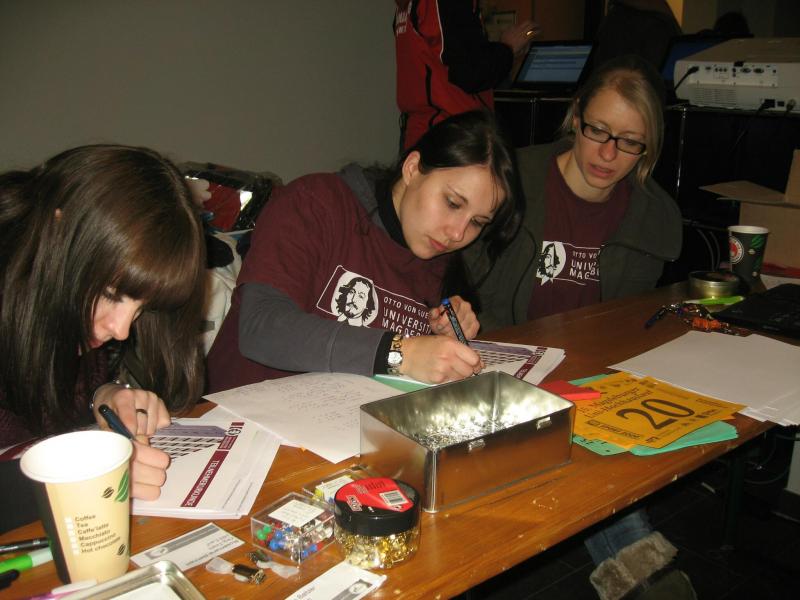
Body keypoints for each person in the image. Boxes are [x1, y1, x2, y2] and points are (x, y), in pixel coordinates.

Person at [465, 56, 692, 599]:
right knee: (567, 438)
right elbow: (460, 279)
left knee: (587, 437)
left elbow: (631, 325)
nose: (609, 154)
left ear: (649, 148)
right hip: (497, 368)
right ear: (575, 117)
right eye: (598, 131)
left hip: (593, 381)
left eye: (630, 142)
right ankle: (643, 570)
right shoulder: (509, 181)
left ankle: (641, 573)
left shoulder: (653, 215)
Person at [206, 110, 523, 393]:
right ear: (412, 168)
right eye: (452, 203)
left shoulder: (439, 259)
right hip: (240, 419)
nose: (457, 234)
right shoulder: (314, 202)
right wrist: (399, 353)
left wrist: (444, 335)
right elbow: (261, 327)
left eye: (477, 222)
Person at [0, 145, 206, 511]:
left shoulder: (62, 300)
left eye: (141, 308)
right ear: (58, 234)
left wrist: (105, 395)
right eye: (111, 295)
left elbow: (53, 400)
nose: (121, 330)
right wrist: (77, 480)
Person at [395, 0, 537, 150]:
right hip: (453, 134)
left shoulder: (411, 6)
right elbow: (471, 72)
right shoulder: (445, 4)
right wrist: (508, 48)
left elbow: (443, 61)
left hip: (425, 131)